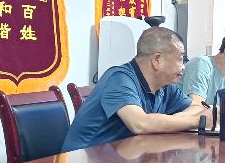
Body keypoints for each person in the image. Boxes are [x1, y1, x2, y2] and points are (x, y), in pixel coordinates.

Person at [62, 27, 210, 152]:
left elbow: (197, 108)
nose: (183, 67)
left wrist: (178, 119)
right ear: (157, 60)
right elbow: (139, 123)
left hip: (120, 162)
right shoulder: (119, 79)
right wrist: (197, 121)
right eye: (180, 59)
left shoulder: (165, 87)